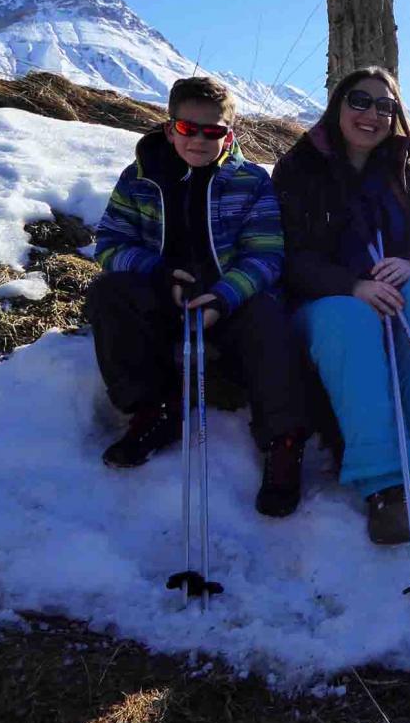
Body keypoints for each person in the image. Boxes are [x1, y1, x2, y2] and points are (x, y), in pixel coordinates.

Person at [89, 76, 310, 518]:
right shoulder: (138, 179)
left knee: (269, 316)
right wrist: (158, 274)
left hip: (229, 301)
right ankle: (152, 408)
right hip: (164, 293)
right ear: (170, 128)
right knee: (109, 293)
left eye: (214, 131)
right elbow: (110, 244)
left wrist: (223, 297)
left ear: (230, 134)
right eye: (189, 129)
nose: (200, 140)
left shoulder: (250, 181)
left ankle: (283, 440)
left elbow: (266, 256)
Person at [273, 66, 410, 546]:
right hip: (326, 303)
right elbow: (289, 254)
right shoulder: (300, 167)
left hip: (394, 285)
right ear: (338, 104)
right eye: (360, 101)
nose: (373, 114)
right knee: (350, 318)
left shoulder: (405, 165)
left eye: (386, 106)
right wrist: (350, 285)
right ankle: (382, 481)